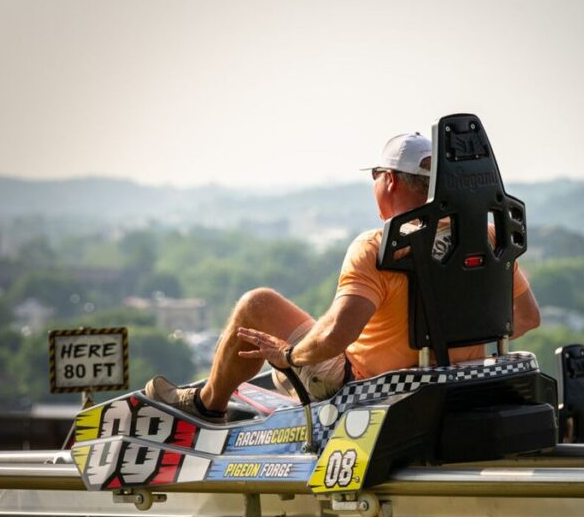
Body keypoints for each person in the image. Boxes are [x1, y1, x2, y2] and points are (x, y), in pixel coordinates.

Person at [146, 132, 541, 422]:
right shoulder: (487, 238)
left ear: (389, 180)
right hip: (457, 384)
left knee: (257, 304)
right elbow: (526, 318)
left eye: (375, 174)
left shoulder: (377, 247)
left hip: (367, 388)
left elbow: (336, 335)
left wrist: (287, 357)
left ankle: (205, 405)